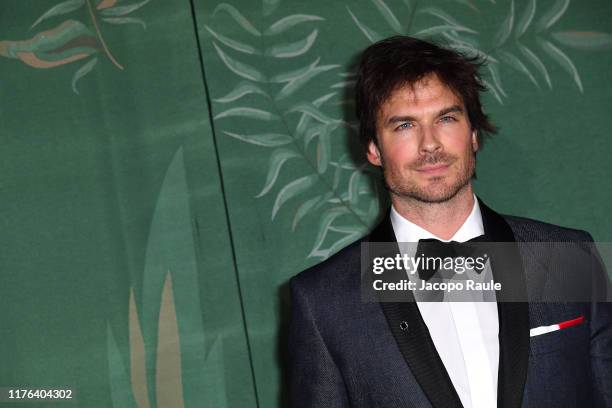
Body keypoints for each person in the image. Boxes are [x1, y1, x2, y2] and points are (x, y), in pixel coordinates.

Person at [287, 36, 611, 408]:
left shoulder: (568, 257)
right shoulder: (324, 301)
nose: (430, 144)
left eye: (446, 118)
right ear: (374, 149)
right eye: (405, 125)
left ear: (473, 134)